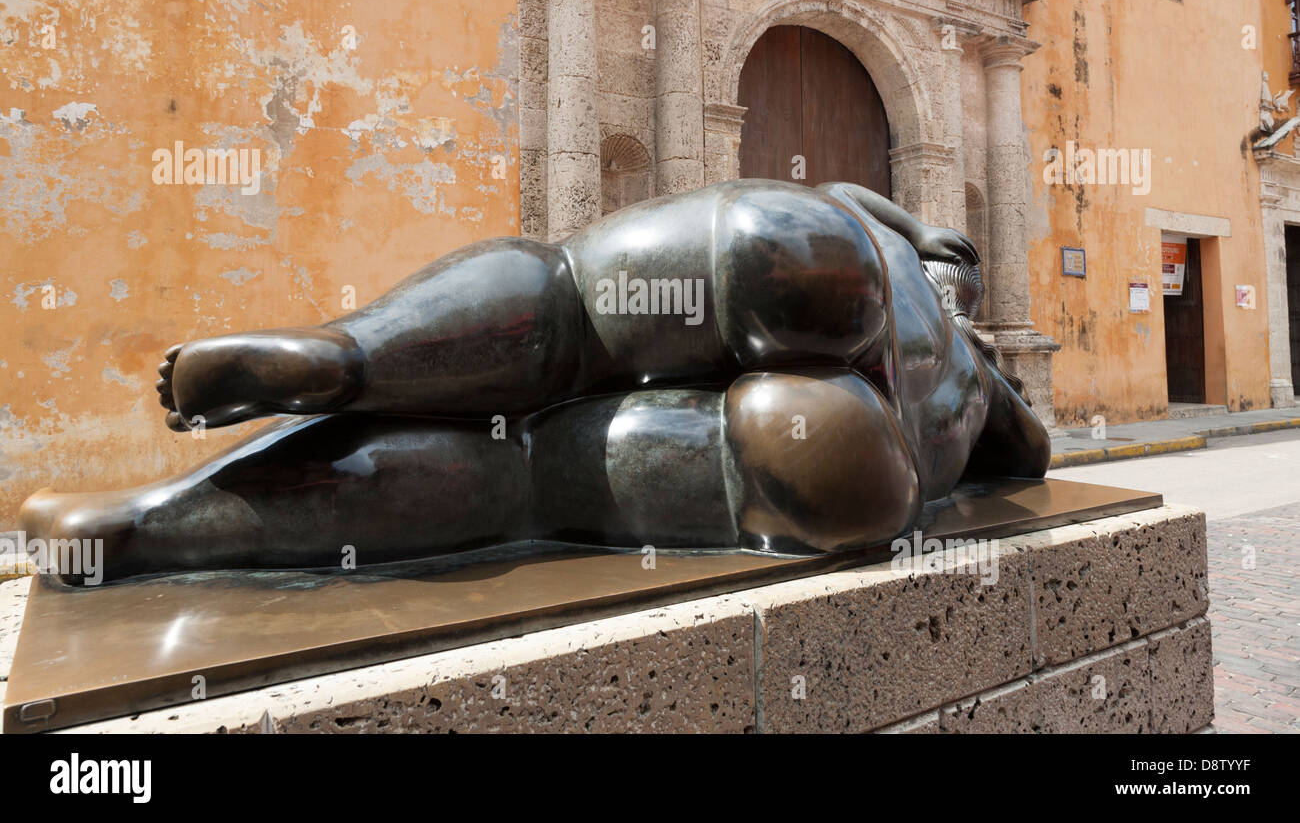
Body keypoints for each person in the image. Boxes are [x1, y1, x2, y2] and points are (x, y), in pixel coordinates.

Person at [21, 179, 1049, 583]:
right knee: (525, 479)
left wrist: (911, 238)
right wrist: (974, 350)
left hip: (790, 253)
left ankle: (351, 356)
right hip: (843, 460)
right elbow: (1030, 454)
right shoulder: (968, 374)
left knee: (566, 306)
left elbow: (855, 201)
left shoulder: (857, 219)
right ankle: (156, 525)